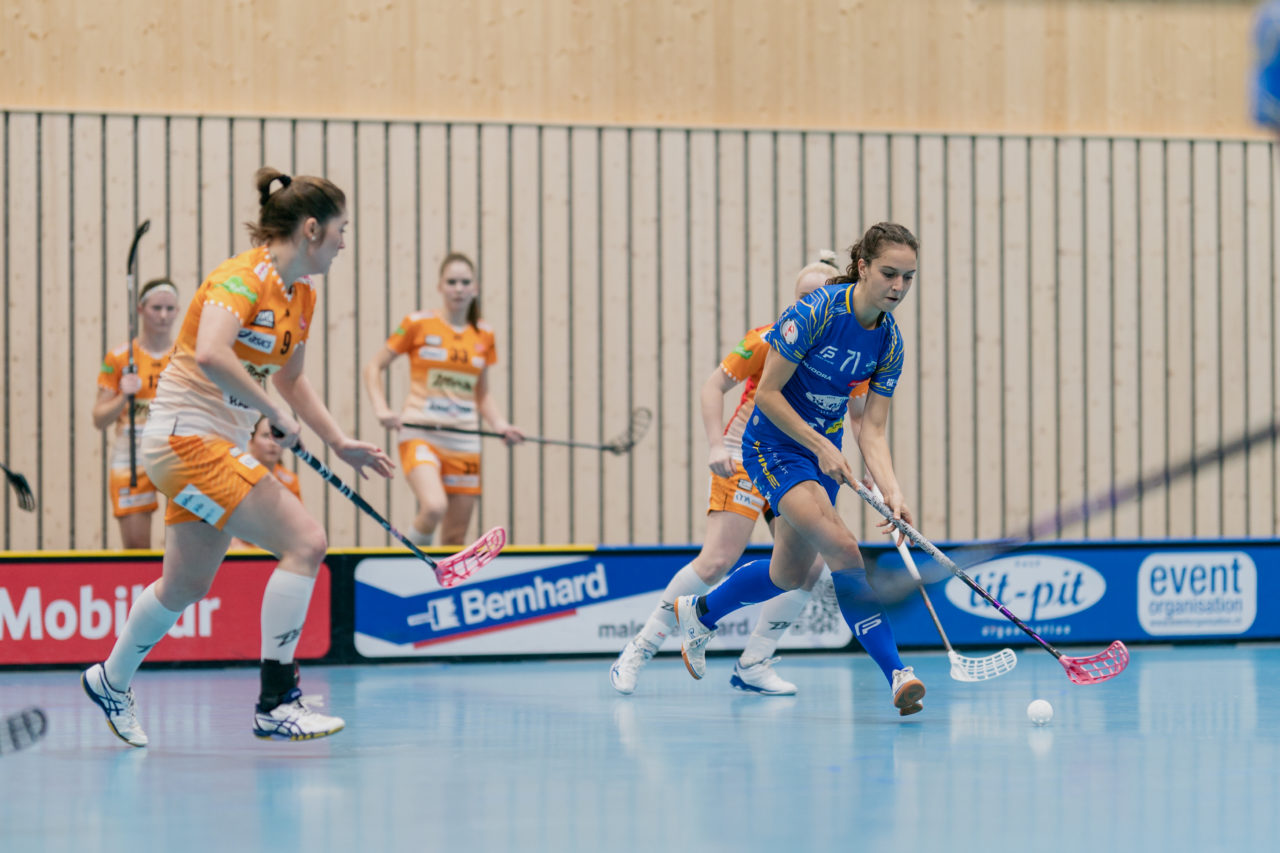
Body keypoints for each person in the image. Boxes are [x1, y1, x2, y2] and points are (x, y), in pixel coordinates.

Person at [81, 167, 394, 747]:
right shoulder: (242, 278)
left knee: (184, 586)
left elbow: (291, 379)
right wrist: (272, 413)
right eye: (342, 230)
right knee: (306, 542)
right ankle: (277, 701)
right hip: (185, 438)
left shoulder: (302, 295)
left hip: (211, 444)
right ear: (311, 229)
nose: (345, 243)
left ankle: (110, 679)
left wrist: (339, 442)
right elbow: (211, 352)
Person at [673, 222, 928, 716]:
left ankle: (700, 613)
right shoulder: (816, 312)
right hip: (773, 445)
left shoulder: (889, 342)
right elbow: (767, 395)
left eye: (908, 277)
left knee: (788, 573)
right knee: (844, 549)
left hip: (821, 450)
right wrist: (821, 446)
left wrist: (894, 493)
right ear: (862, 268)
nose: (898, 287)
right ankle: (898, 673)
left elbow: (872, 430)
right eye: (889, 273)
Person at [610, 254, 868, 696]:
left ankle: (754, 663)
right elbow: (714, 386)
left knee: (809, 568)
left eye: (820, 295)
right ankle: (641, 647)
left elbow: (862, 420)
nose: (807, 304)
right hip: (747, 456)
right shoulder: (769, 339)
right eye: (801, 296)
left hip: (800, 465)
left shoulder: (851, 354)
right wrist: (715, 444)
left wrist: (875, 476)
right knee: (717, 559)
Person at [362, 253, 523, 546]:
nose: (458, 289)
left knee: (455, 537)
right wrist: (381, 409)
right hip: (420, 433)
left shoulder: (484, 333)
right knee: (434, 506)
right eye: (451, 282)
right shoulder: (417, 323)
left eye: (465, 282)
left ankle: (441, 577)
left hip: (465, 440)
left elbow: (482, 392)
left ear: (475, 287)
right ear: (440, 286)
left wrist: (501, 425)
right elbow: (373, 367)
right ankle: (410, 566)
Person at [92, 278, 180, 549]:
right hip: (132, 455)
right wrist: (123, 397)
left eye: (170, 308)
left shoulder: (185, 356)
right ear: (141, 309)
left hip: (177, 450)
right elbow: (99, 418)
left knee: (183, 548)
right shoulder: (119, 357)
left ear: (178, 311)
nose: (163, 316)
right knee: (136, 551)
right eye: (156, 308)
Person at [228, 416, 303, 551]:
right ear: (251, 441)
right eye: (265, 436)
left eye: (278, 437)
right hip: (236, 550)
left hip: (276, 550)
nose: (272, 443)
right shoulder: (234, 473)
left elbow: (296, 527)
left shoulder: (290, 480)